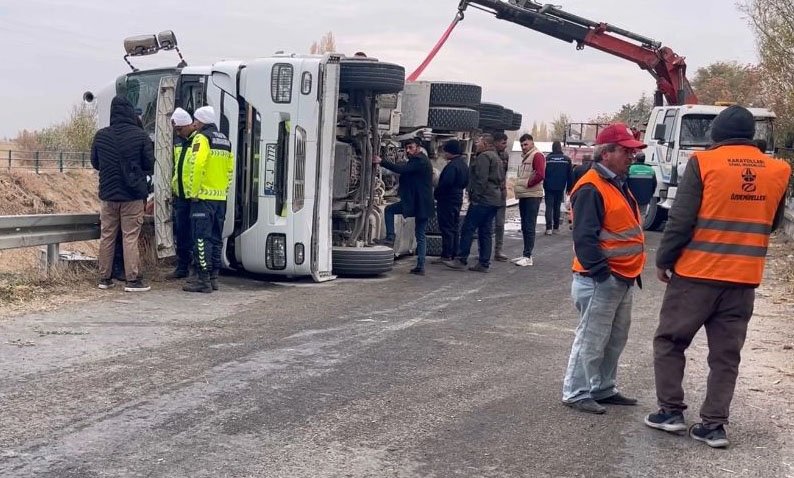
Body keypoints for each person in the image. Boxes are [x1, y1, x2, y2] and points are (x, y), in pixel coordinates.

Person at [645, 105, 790, 448]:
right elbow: (772, 223)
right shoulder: (778, 169)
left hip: (697, 275)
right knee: (726, 355)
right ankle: (713, 425)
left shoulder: (704, 163)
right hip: (743, 279)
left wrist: (664, 260)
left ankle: (670, 412)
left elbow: (680, 220)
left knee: (670, 341)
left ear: (716, 135)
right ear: (751, 136)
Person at [562, 123, 647, 414]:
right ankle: (576, 392)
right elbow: (584, 237)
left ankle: (602, 387)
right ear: (606, 153)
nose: (631, 156)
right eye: (625, 150)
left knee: (614, 338)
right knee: (591, 338)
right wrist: (602, 274)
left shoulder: (616, 183)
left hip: (621, 277)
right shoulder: (591, 187)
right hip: (601, 279)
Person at [91, 95, 155, 292]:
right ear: (129, 112)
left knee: (107, 236)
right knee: (130, 237)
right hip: (132, 196)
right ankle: (132, 279)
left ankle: (104, 278)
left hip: (108, 195)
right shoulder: (140, 135)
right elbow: (150, 164)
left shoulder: (101, 135)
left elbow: (95, 163)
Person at [182, 106, 234, 293]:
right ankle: (213, 277)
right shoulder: (225, 140)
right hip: (220, 198)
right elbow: (230, 170)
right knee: (216, 238)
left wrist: (193, 192)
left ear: (200, 121)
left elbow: (197, 165)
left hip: (203, 197)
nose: (194, 123)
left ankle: (202, 279)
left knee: (201, 240)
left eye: (195, 119)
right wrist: (224, 190)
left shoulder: (201, 138)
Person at [443, 134, 503, 272]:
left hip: (483, 200)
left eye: (479, 142)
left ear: (486, 144)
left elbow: (481, 179)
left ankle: (461, 259)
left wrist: (475, 197)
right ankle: (484, 263)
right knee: (485, 231)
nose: (476, 144)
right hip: (494, 199)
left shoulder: (483, 157)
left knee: (468, 228)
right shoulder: (496, 157)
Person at [377, 138, 435, 275]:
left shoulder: (419, 160)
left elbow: (401, 169)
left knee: (389, 210)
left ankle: (391, 237)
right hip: (421, 203)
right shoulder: (420, 160)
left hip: (417, 203)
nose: (408, 151)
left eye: (411, 147)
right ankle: (420, 266)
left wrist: (381, 161)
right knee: (420, 234)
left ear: (418, 147)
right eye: (406, 148)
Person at [166, 107, 196, 280]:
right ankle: (182, 266)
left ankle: (193, 267)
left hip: (195, 196)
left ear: (188, 125)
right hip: (181, 196)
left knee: (195, 234)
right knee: (182, 233)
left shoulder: (198, 141)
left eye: (179, 129)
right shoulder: (178, 142)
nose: (178, 133)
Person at [511, 133, 545, 266]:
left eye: (526, 144)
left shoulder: (537, 155)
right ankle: (525, 254)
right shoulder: (526, 157)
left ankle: (528, 256)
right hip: (525, 195)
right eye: (522, 145)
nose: (524, 147)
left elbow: (540, 174)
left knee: (529, 226)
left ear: (532, 143)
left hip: (532, 195)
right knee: (525, 226)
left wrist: (527, 184)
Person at [433, 139, 469, 264]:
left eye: (445, 151)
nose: (444, 154)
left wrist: (437, 193)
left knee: (446, 227)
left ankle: (446, 254)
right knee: (454, 227)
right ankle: (454, 253)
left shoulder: (452, 166)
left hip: (447, 200)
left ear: (450, 152)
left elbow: (445, 183)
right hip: (457, 198)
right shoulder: (463, 165)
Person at [543, 140, 573, 235]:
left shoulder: (547, 159)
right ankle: (556, 228)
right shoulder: (566, 160)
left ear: (552, 148)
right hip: (560, 187)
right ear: (560, 148)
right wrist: (569, 188)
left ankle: (548, 229)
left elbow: (543, 173)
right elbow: (570, 175)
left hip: (548, 187)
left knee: (549, 207)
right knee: (557, 206)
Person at [493, 132, 511, 261]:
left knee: (500, 223)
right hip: (489, 193)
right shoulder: (489, 155)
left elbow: (504, 174)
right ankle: (483, 250)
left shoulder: (505, 155)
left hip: (500, 193)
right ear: (496, 142)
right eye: (503, 143)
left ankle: (498, 250)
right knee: (486, 224)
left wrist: (504, 188)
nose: (505, 146)